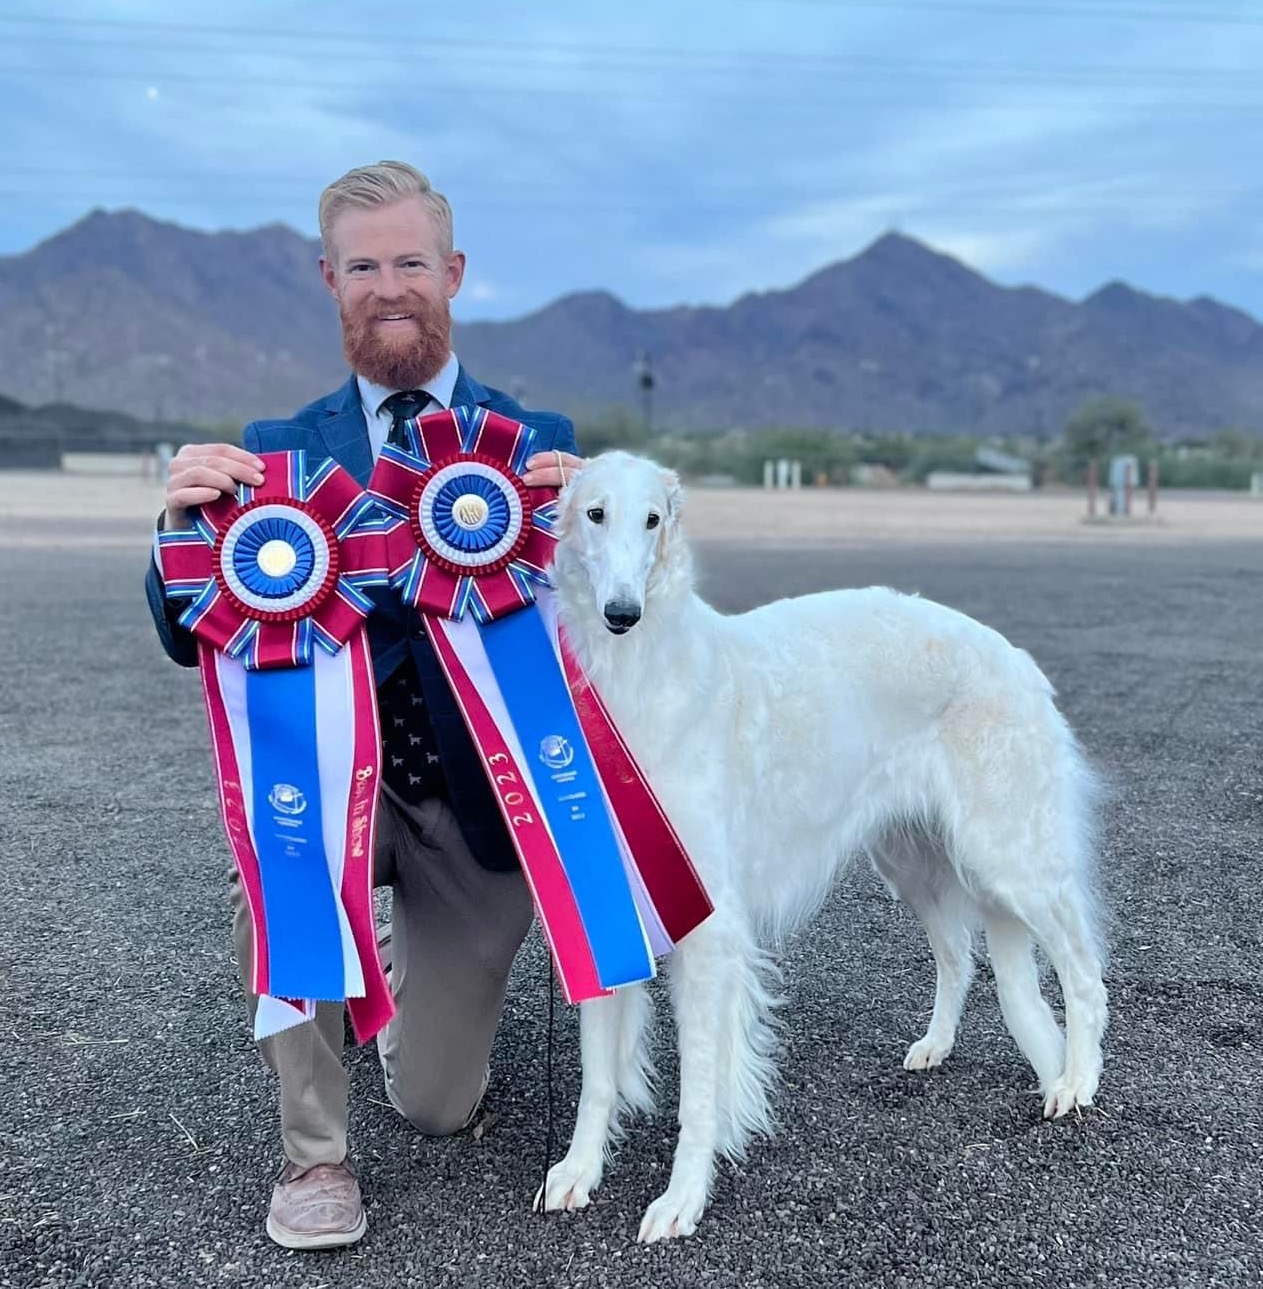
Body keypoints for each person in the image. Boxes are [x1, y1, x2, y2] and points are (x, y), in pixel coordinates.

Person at [144, 161, 584, 1250]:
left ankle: (391, 963)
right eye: (364, 266)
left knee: (437, 1106)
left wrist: (601, 535)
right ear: (329, 280)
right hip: (327, 789)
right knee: (280, 877)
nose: (390, 287)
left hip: (476, 804)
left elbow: (609, 635)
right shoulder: (275, 451)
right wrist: (176, 534)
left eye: (411, 263)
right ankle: (315, 1155)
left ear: (455, 273)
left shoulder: (533, 442)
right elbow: (186, 631)